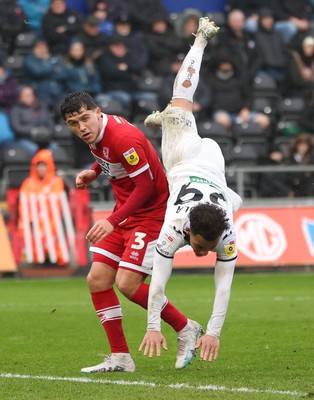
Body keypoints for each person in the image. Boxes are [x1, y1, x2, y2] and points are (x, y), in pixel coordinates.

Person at [60, 91, 201, 372]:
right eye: (73, 123)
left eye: (85, 119)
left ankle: (186, 327)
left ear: (98, 112)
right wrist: (94, 172)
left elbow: (146, 187)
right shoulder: (97, 134)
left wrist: (112, 221)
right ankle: (121, 357)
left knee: (127, 284)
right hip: (125, 213)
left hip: (149, 215)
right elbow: (111, 158)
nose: (82, 128)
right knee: (97, 280)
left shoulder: (124, 138)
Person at [139, 17, 242, 364]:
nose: (201, 253)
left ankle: (168, 117)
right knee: (181, 97)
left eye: (206, 248)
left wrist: (213, 331)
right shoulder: (174, 230)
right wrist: (152, 324)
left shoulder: (225, 233)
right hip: (188, 159)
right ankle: (200, 38)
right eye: (200, 246)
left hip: (214, 170)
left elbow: (224, 285)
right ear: (189, 231)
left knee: (232, 201)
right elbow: (158, 282)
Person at [18, 149, 67, 265]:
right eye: (38, 166)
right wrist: (32, 219)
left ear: (49, 167)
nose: (41, 169)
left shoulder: (56, 181)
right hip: (33, 221)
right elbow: (23, 205)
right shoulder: (28, 182)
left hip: (51, 220)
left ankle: (56, 259)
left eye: (44, 166)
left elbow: (57, 204)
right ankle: (38, 260)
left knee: (51, 231)